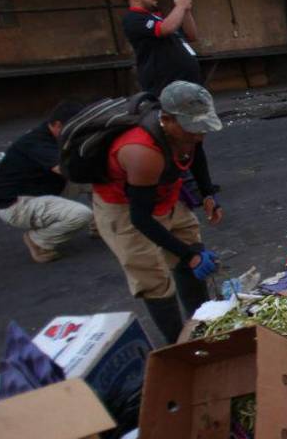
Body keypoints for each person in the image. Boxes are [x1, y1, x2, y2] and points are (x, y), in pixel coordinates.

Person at [91, 81, 223, 343]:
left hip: (166, 195)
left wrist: (207, 194)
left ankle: (203, 327)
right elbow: (140, 219)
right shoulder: (142, 152)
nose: (198, 136)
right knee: (153, 278)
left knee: (191, 254)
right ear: (167, 119)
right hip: (125, 210)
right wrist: (187, 254)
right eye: (192, 130)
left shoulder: (187, 133)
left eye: (202, 129)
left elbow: (195, 155)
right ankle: (178, 343)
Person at [0, 99, 91, 263]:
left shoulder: (58, 134)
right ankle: (38, 241)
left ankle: (102, 223)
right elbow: (66, 169)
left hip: (45, 188)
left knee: (103, 179)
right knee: (81, 214)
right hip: (18, 204)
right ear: (58, 125)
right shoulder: (36, 142)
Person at [122, 0, 200, 96]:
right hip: (167, 86)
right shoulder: (133, 18)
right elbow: (165, 29)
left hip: (186, 84)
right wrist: (180, 6)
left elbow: (191, 35)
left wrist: (186, 11)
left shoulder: (158, 18)